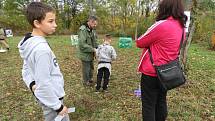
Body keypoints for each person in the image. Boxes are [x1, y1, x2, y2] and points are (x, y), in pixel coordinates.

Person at [136, 0, 187, 120]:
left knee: (148, 105)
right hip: (167, 74)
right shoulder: (181, 27)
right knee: (161, 101)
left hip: (152, 72)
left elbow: (139, 42)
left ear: (164, 7)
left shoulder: (161, 24)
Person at [18, 2, 70, 121]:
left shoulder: (29, 43)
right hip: (52, 100)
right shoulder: (41, 50)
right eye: (50, 21)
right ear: (37, 23)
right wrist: (58, 107)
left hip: (47, 98)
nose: (55, 25)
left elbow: (26, 68)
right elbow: (44, 83)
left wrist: (31, 84)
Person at [78, 16, 98, 86]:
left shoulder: (92, 30)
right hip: (85, 54)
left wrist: (98, 47)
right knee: (86, 68)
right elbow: (82, 44)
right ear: (90, 22)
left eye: (96, 24)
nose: (95, 26)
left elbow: (94, 40)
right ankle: (86, 81)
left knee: (91, 67)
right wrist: (92, 49)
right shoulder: (83, 30)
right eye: (94, 24)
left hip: (91, 54)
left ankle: (90, 79)